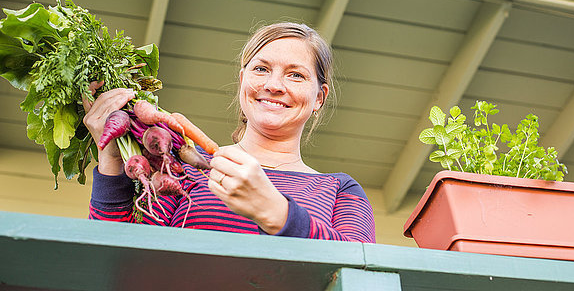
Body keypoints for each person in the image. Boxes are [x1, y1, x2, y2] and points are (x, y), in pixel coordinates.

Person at [84, 22, 376, 243]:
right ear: (242, 82)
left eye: (295, 74)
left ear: (319, 98)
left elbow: (360, 273)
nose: (274, 85)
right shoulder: (182, 167)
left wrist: (278, 214)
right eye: (261, 69)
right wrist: (110, 160)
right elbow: (121, 256)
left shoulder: (340, 190)